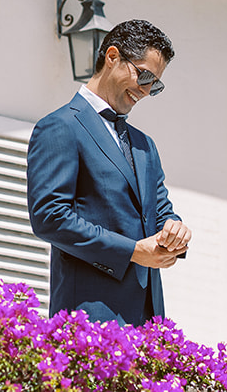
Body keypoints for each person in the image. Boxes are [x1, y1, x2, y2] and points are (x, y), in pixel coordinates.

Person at [26, 19, 191, 325]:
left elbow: (161, 213)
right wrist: (131, 251)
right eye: (144, 76)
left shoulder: (145, 146)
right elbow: (49, 217)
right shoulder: (60, 126)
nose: (145, 90)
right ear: (112, 56)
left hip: (148, 323)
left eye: (155, 84)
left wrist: (175, 231)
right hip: (89, 321)